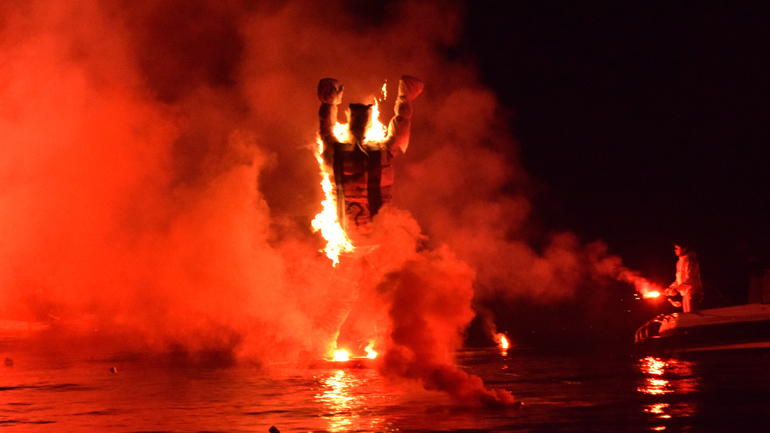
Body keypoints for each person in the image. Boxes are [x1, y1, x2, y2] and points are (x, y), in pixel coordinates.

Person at [317, 75, 424, 238]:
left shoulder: (338, 154)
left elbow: (325, 131)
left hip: (353, 235)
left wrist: (329, 103)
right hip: (368, 235)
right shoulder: (380, 154)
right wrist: (405, 98)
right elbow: (401, 124)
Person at [665, 242, 703, 313]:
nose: (675, 250)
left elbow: (689, 279)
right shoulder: (679, 262)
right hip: (685, 295)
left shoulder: (690, 260)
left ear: (684, 249)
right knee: (688, 316)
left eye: (677, 248)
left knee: (693, 317)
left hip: (692, 294)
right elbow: (678, 280)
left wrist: (676, 290)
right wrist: (671, 288)